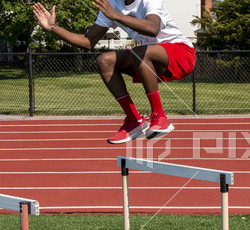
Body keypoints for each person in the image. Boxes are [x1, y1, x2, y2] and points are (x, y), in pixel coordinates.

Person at [33, 0, 196, 144]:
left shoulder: (148, 1)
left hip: (181, 54)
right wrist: (53, 28)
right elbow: (88, 42)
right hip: (147, 59)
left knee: (139, 52)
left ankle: (159, 117)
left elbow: (153, 28)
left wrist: (115, 15)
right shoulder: (113, 4)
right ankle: (134, 120)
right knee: (104, 61)